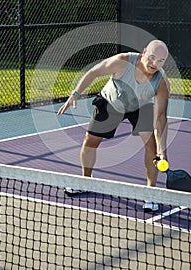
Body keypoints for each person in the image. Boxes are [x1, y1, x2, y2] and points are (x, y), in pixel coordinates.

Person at [57, 40, 170, 212]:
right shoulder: (122, 62)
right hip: (112, 101)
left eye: (160, 61)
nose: (154, 63)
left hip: (140, 106)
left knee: (152, 148)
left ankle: (151, 193)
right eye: (152, 57)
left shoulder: (161, 82)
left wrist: (163, 151)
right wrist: (75, 93)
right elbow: (94, 72)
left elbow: (161, 118)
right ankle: (85, 181)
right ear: (144, 52)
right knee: (90, 141)